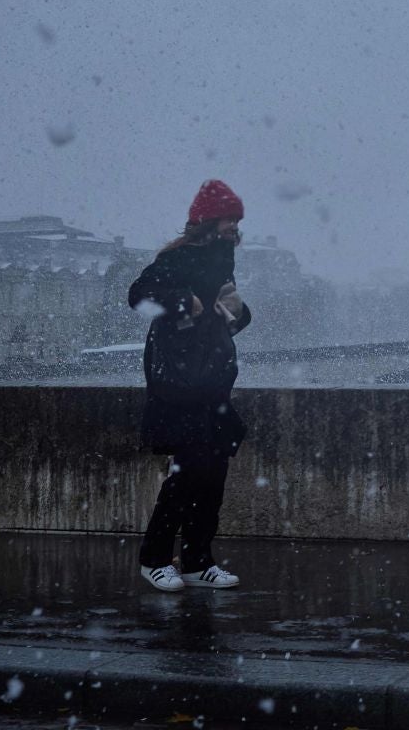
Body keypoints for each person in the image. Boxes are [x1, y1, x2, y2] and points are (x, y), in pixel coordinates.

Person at [129, 179, 251, 591]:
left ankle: (198, 562)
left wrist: (240, 312)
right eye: (227, 218)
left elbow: (221, 321)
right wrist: (184, 300)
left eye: (236, 219)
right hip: (179, 387)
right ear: (206, 221)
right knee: (186, 477)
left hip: (211, 385)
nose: (234, 226)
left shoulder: (221, 259)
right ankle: (155, 559)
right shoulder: (179, 258)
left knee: (212, 478)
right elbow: (139, 295)